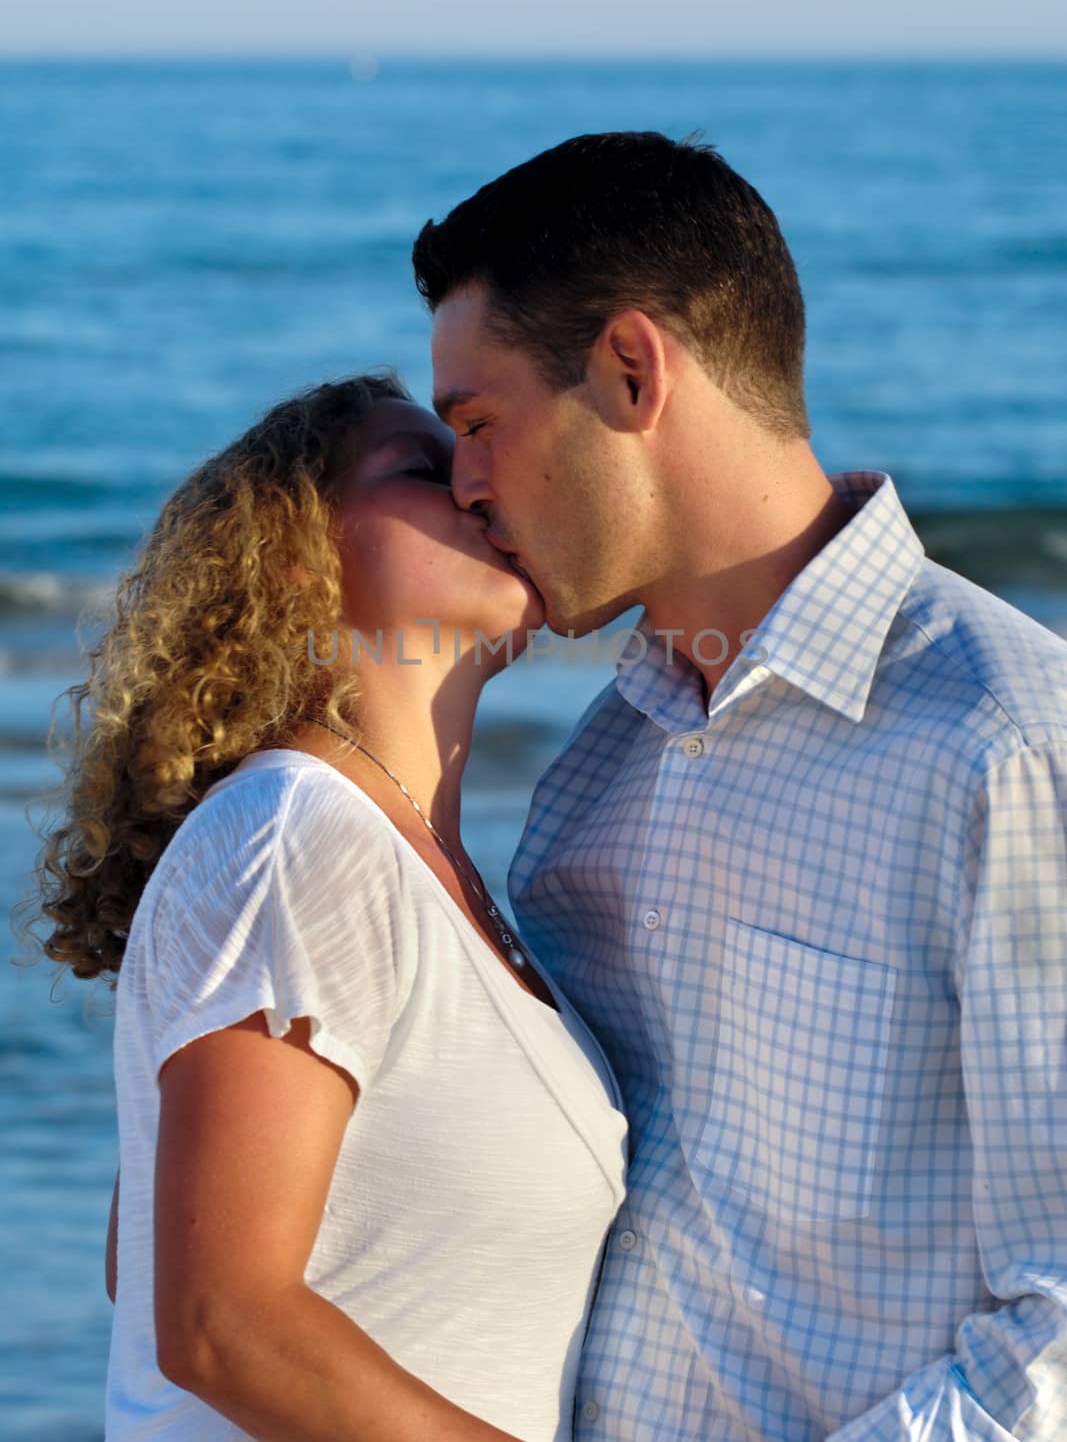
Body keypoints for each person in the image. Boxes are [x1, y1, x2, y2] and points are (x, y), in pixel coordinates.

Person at [412, 130, 1067, 1441]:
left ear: (630, 369)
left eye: (477, 426)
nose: (462, 489)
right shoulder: (593, 776)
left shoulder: (999, 745)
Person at [29, 372, 628, 1441]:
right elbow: (218, 1324)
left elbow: (145, 1257)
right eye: (423, 467)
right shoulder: (294, 837)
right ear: (297, 556)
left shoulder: (405, 866)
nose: (481, 485)